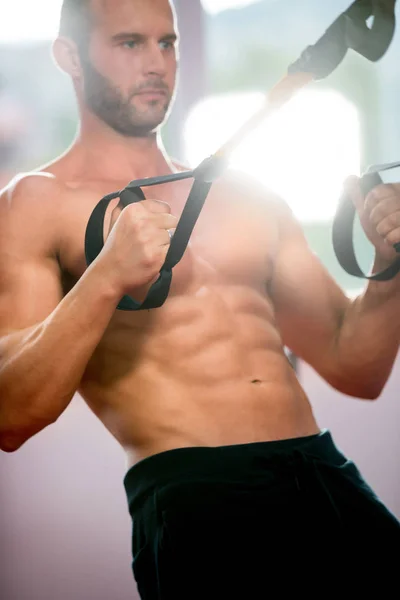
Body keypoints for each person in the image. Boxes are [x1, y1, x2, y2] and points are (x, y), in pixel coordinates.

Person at [0, 0, 399, 597]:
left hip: (324, 472)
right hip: (198, 496)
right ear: (69, 56)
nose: (157, 63)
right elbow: (11, 415)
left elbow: (356, 365)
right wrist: (106, 277)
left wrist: (390, 264)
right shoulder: (35, 204)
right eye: (130, 43)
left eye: (168, 43)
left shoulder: (246, 195)